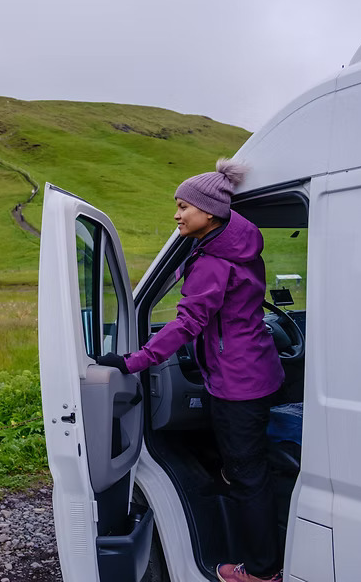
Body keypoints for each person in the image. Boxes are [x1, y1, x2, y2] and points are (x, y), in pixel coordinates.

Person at [97, 159, 285, 582]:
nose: (177, 214)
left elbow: (186, 324)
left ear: (210, 211)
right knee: (245, 464)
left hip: (237, 382)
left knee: (247, 474)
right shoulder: (236, 242)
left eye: (184, 207)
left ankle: (260, 571)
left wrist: (132, 361)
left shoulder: (213, 262)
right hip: (258, 369)